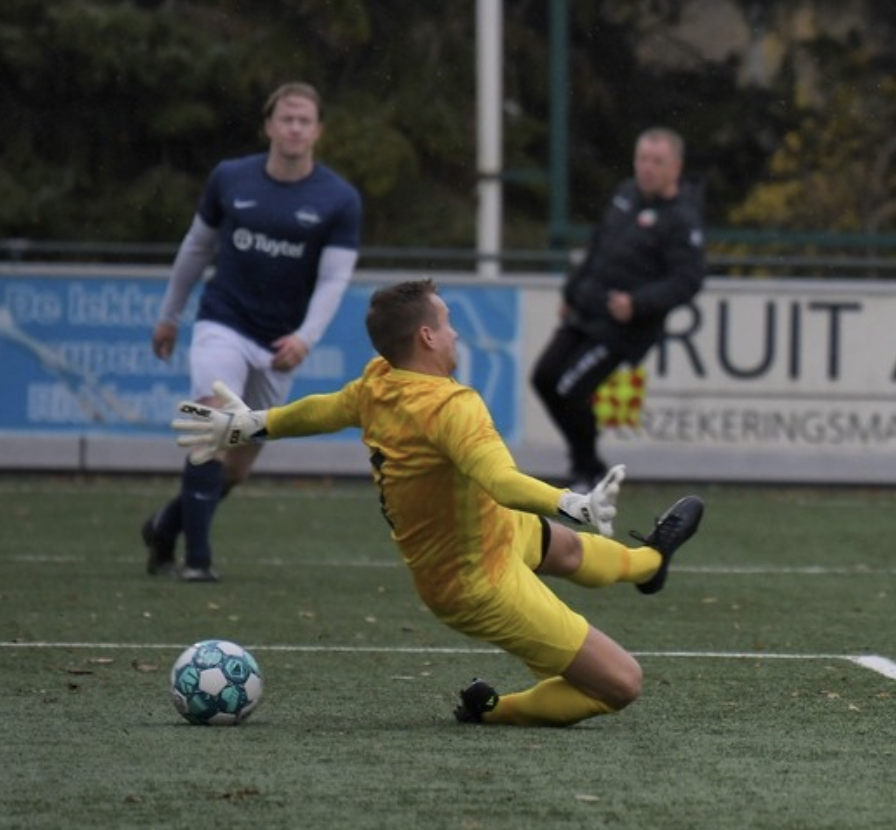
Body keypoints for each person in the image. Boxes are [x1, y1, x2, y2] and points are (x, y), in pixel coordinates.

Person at [170, 278, 706, 727]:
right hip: (476, 583)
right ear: (426, 336)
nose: (455, 332)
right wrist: (571, 502)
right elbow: (501, 481)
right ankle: (491, 710)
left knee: (566, 551)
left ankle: (650, 563)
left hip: (487, 530)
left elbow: (322, 410)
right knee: (621, 683)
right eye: (447, 322)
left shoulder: (379, 381)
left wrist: (253, 424)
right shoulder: (451, 407)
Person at [141, 82, 363, 582]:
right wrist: (170, 314)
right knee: (211, 423)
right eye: (286, 118)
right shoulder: (230, 178)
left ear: (318, 131)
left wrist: (305, 338)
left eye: (304, 120)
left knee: (237, 467)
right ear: (268, 126)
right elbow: (196, 248)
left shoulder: (339, 199)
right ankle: (197, 562)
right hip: (223, 322)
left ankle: (164, 527)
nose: (294, 128)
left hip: (279, 343)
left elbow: (334, 280)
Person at [532, 126, 706, 491]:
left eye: (657, 161)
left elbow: (687, 280)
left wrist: (638, 303)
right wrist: (571, 291)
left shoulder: (682, 219)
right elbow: (598, 247)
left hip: (621, 327)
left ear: (675, 168)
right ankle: (591, 467)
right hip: (585, 309)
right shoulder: (625, 195)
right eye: (642, 159)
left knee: (571, 390)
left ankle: (586, 471)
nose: (647, 168)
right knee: (544, 378)